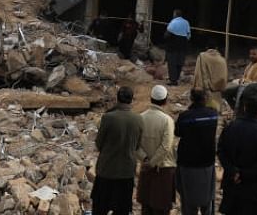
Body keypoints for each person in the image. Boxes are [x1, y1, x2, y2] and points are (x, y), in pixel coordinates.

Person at [93, 86, 144, 215]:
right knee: (122, 209)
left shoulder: (108, 117)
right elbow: (137, 146)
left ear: (117, 98)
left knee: (100, 207)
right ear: (131, 100)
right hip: (126, 172)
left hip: (106, 170)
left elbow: (99, 144)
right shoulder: (138, 119)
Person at [217, 97, 257, 215]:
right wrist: (243, 174)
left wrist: (233, 171)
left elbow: (221, 151)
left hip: (232, 187)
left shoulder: (230, 128)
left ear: (245, 109)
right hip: (253, 190)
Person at [175, 89, 219, 215]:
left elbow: (177, 132)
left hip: (187, 164)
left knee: (188, 201)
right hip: (207, 163)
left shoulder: (185, 116)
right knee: (208, 200)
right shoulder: (213, 115)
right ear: (205, 99)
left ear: (192, 99)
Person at [138, 85, 178, 215]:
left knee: (146, 207)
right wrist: (153, 163)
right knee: (161, 208)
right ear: (165, 101)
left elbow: (135, 144)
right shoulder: (167, 120)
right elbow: (166, 146)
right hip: (163, 169)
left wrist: (145, 159)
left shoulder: (140, 117)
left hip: (145, 168)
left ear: (151, 99)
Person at [194, 44, 229, 112]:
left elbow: (198, 73)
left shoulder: (202, 56)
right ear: (216, 48)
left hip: (203, 91)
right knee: (216, 113)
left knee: (203, 112)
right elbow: (224, 77)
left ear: (206, 47)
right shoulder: (222, 60)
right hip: (217, 91)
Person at [166, 10, 193, 85]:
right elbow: (189, 36)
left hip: (173, 45)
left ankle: (173, 81)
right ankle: (176, 78)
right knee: (179, 63)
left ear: (175, 14)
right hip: (183, 45)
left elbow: (167, 34)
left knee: (172, 63)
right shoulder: (186, 22)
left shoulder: (173, 22)